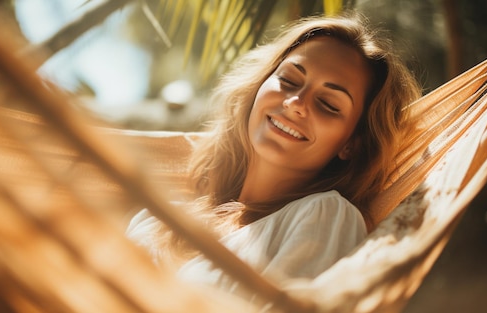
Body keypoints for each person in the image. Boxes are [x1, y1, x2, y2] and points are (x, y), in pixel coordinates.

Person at [126, 12, 421, 299]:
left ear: (351, 145)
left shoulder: (324, 214)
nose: (296, 103)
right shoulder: (155, 219)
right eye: (289, 80)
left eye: (329, 104)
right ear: (259, 89)